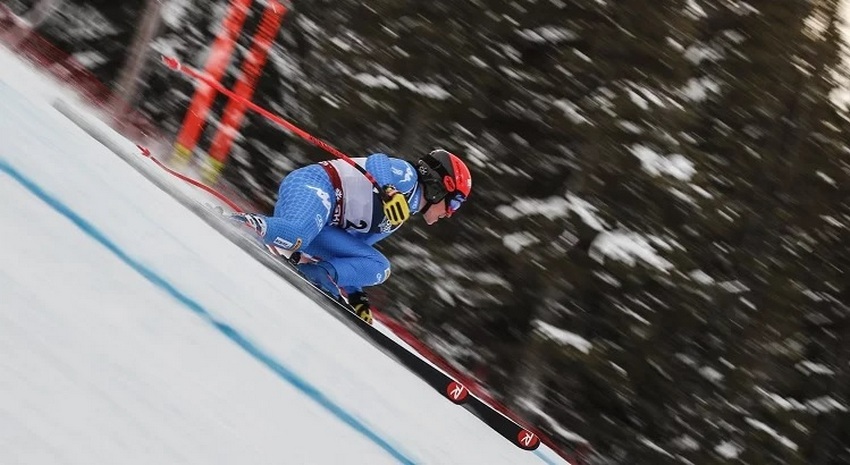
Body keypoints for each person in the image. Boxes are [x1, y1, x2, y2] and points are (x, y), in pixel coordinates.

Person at [234, 149, 472, 324]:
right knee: (299, 235)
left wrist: (357, 296)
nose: (450, 213)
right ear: (440, 186)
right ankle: (245, 224)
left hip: (325, 225)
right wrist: (389, 191)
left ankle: (320, 274)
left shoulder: (400, 213)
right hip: (316, 186)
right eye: (456, 202)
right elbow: (376, 161)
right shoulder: (407, 177)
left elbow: (354, 251)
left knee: (379, 266)